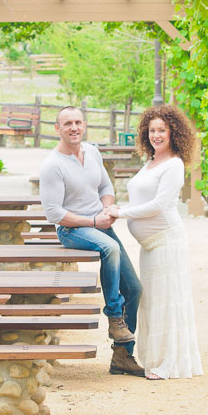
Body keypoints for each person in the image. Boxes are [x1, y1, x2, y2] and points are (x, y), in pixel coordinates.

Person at [39, 106, 145, 377]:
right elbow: (54, 213)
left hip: (99, 225)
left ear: (84, 125)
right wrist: (93, 222)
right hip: (71, 229)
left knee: (134, 289)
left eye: (77, 122)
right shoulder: (53, 165)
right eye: (67, 124)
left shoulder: (93, 152)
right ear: (57, 129)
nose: (73, 128)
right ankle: (113, 315)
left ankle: (123, 356)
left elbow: (106, 188)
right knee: (109, 247)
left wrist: (106, 210)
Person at [105, 105, 203, 380]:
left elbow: (158, 205)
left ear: (174, 132)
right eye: (152, 130)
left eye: (162, 130)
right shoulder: (150, 162)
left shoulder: (173, 165)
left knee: (167, 302)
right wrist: (115, 209)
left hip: (166, 242)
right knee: (152, 302)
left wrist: (121, 214)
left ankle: (169, 363)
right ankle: (156, 358)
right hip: (150, 246)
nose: (156, 135)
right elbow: (139, 200)